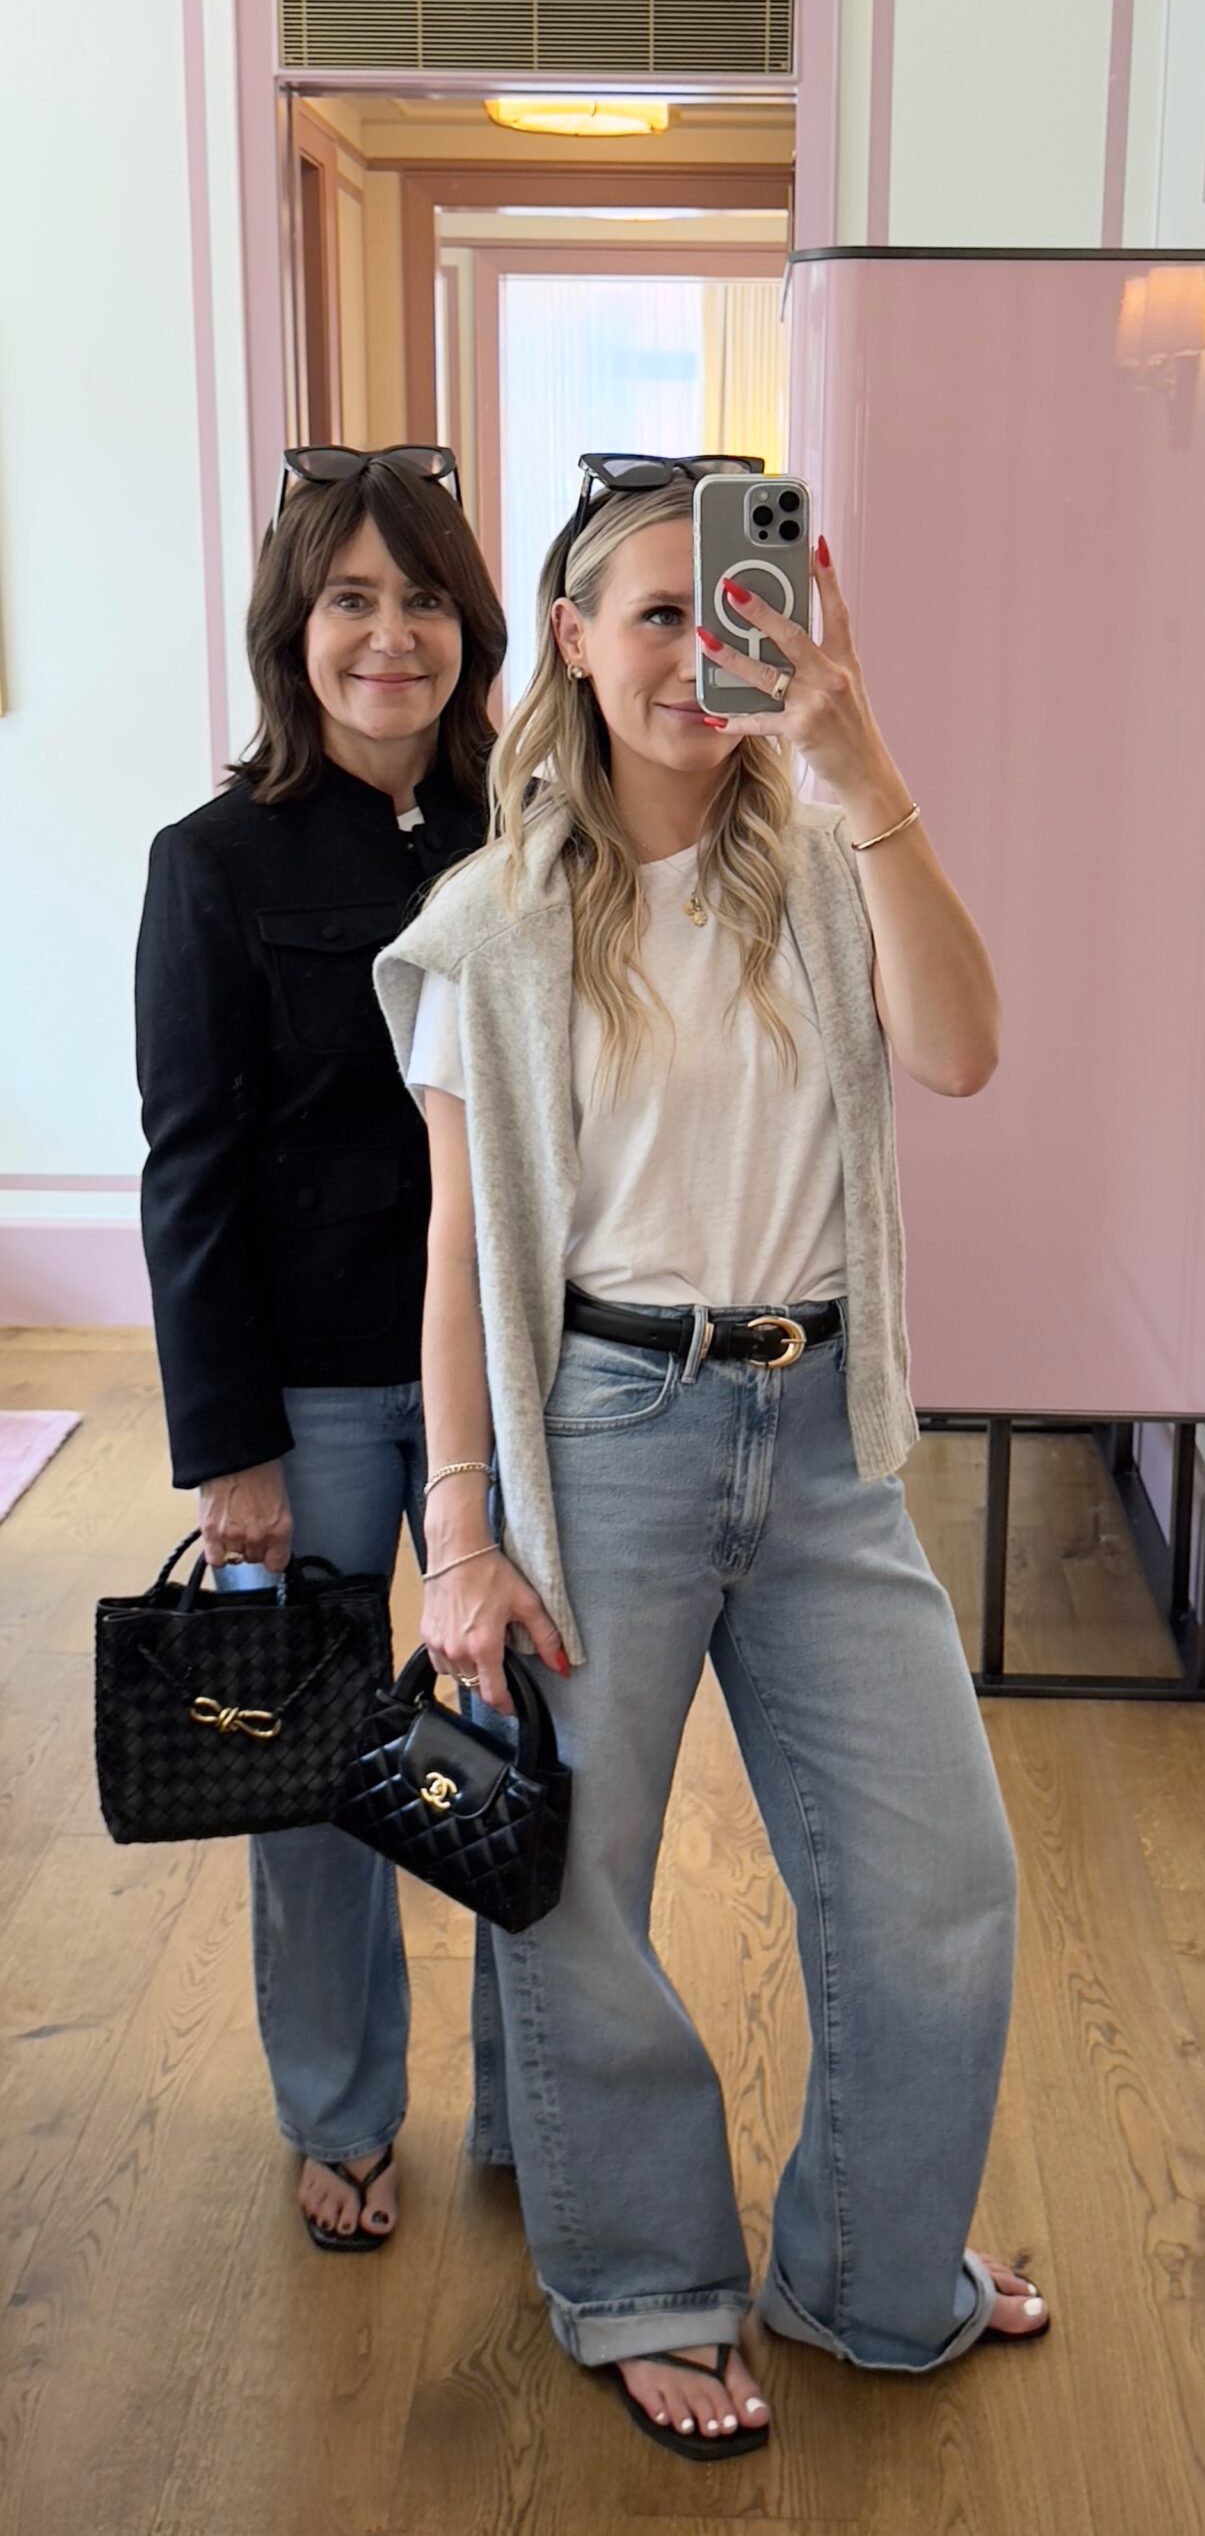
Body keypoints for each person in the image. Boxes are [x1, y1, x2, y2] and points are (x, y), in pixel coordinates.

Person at [375, 454, 1048, 2456]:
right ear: (569, 646)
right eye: (652, 613)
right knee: (577, 1884)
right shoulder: (489, 925)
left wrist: (862, 754)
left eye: (730, 608)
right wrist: (465, 1534)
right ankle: (642, 2276)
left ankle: (867, 2262)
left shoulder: (835, 861)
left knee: (946, 1880)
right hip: (609, 1432)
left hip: (826, 1439)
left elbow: (964, 1051)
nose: (697, 650)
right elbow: (462, 1244)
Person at [135, 446, 515, 2254]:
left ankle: (541, 2114)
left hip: (523, 1384)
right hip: (309, 1396)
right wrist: (230, 1449)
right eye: (352, 599)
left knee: (535, 1748)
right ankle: (344, 2111)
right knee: (314, 1782)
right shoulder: (208, 865)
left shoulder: (539, 836)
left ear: (474, 627)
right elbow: (188, 1170)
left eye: (424, 597)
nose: (391, 635)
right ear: (295, 631)